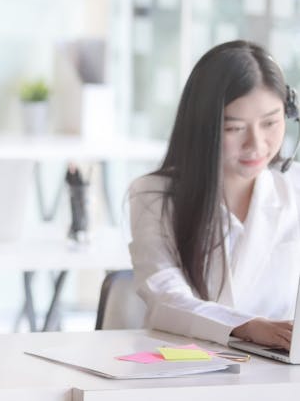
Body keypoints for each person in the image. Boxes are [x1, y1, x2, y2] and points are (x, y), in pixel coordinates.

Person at [128, 40, 299, 350]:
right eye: (234, 128)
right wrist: (247, 327)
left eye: (271, 123)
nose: (257, 144)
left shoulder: (294, 187)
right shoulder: (154, 195)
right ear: (203, 126)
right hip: (187, 374)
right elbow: (166, 297)